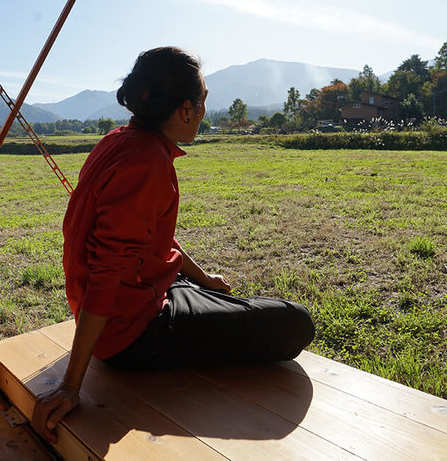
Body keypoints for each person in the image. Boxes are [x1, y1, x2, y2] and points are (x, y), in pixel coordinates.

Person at [30, 46, 315, 443]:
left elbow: (148, 238)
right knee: (295, 321)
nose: (202, 113)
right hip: (132, 333)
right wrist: (70, 384)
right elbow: (108, 270)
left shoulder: (120, 139)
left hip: (141, 296)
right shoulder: (146, 162)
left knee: (224, 302)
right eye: (203, 103)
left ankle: (201, 296)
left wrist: (204, 277)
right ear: (185, 110)